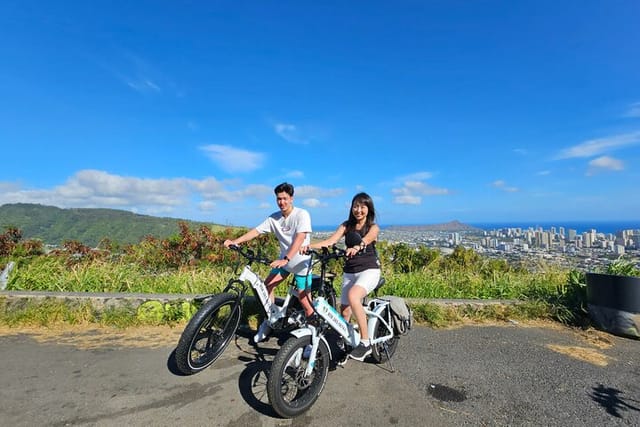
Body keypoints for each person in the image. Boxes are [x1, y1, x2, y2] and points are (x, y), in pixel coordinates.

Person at [223, 182, 314, 343]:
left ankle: (312, 337)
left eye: (285, 198)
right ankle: (270, 320)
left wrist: (285, 258)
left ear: (291, 198)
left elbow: (300, 238)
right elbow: (256, 231)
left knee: (306, 302)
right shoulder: (274, 218)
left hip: (301, 265)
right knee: (267, 286)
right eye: (279, 199)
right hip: (285, 263)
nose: (282, 202)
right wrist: (235, 241)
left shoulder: (302, 214)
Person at [302, 192, 380, 361]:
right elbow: (330, 241)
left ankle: (365, 342)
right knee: (344, 313)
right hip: (350, 271)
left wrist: (357, 247)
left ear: (369, 209)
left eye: (362, 207)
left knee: (353, 297)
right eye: (355, 206)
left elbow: (366, 240)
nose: (358, 210)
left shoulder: (373, 227)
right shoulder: (346, 226)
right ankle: (348, 345)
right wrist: (309, 246)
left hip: (369, 270)